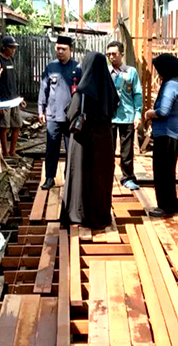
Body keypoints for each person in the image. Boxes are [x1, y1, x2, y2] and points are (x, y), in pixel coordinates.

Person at [63, 52, 119, 229]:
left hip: (83, 141)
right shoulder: (110, 90)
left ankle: (78, 215)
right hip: (104, 141)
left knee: (80, 176)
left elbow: (71, 114)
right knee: (100, 178)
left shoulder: (83, 91)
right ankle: (99, 215)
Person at [146, 54, 178, 218]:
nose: (158, 74)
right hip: (171, 134)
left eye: (159, 70)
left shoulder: (170, 86)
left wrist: (150, 113)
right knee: (167, 172)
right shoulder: (177, 83)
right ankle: (170, 204)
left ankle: (166, 206)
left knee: (163, 172)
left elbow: (163, 111)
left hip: (167, 135)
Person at [38, 35, 81, 189]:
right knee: (51, 149)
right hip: (53, 115)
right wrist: (41, 110)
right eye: (58, 49)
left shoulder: (78, 68)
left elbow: (81, 93)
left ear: (71, 50)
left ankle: (69, 179)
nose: (60, 52)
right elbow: (44, 89)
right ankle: (49, 178)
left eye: (64, 49)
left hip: (71, 117)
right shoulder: (51, 67)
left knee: (71, 151)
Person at [107, 41, 143, 191]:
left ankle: (128, 177)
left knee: (126, 150)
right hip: (109, 117)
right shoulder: (106, 72)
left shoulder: (131, 72)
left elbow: (137, 93)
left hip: (127, 115)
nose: (111, 57)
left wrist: (138, 114)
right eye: (108, 54)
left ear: (122, 54)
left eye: (114, 54)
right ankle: (107, 176)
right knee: (108, 149)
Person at [0, 36, 26, 157]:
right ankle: (5, 152)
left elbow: (13, 81)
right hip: (4, 101)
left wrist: (19, 97)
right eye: (11, 47)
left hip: (14, 99)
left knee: (17, 125)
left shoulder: (11, 60)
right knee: (4, 127)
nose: (13, 50)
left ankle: (12, 151)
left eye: (14, 48)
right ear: (4, 47)